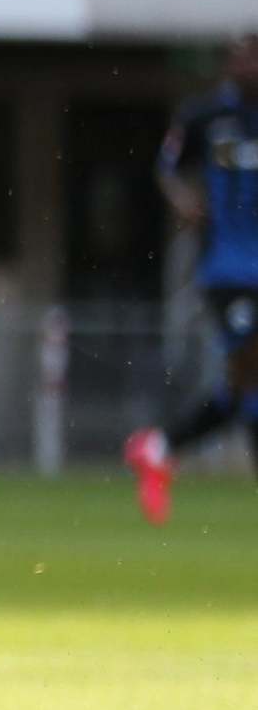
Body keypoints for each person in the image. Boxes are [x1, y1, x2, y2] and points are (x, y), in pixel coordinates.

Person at [125, 31, 258, 523]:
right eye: (241, 58)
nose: (248, 67)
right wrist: (184, 200)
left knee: (247, 389)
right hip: (229, 267)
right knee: (250, 360)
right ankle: (162, 447)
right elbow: (167, 168)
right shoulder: (205, 116)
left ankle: (159, 447)